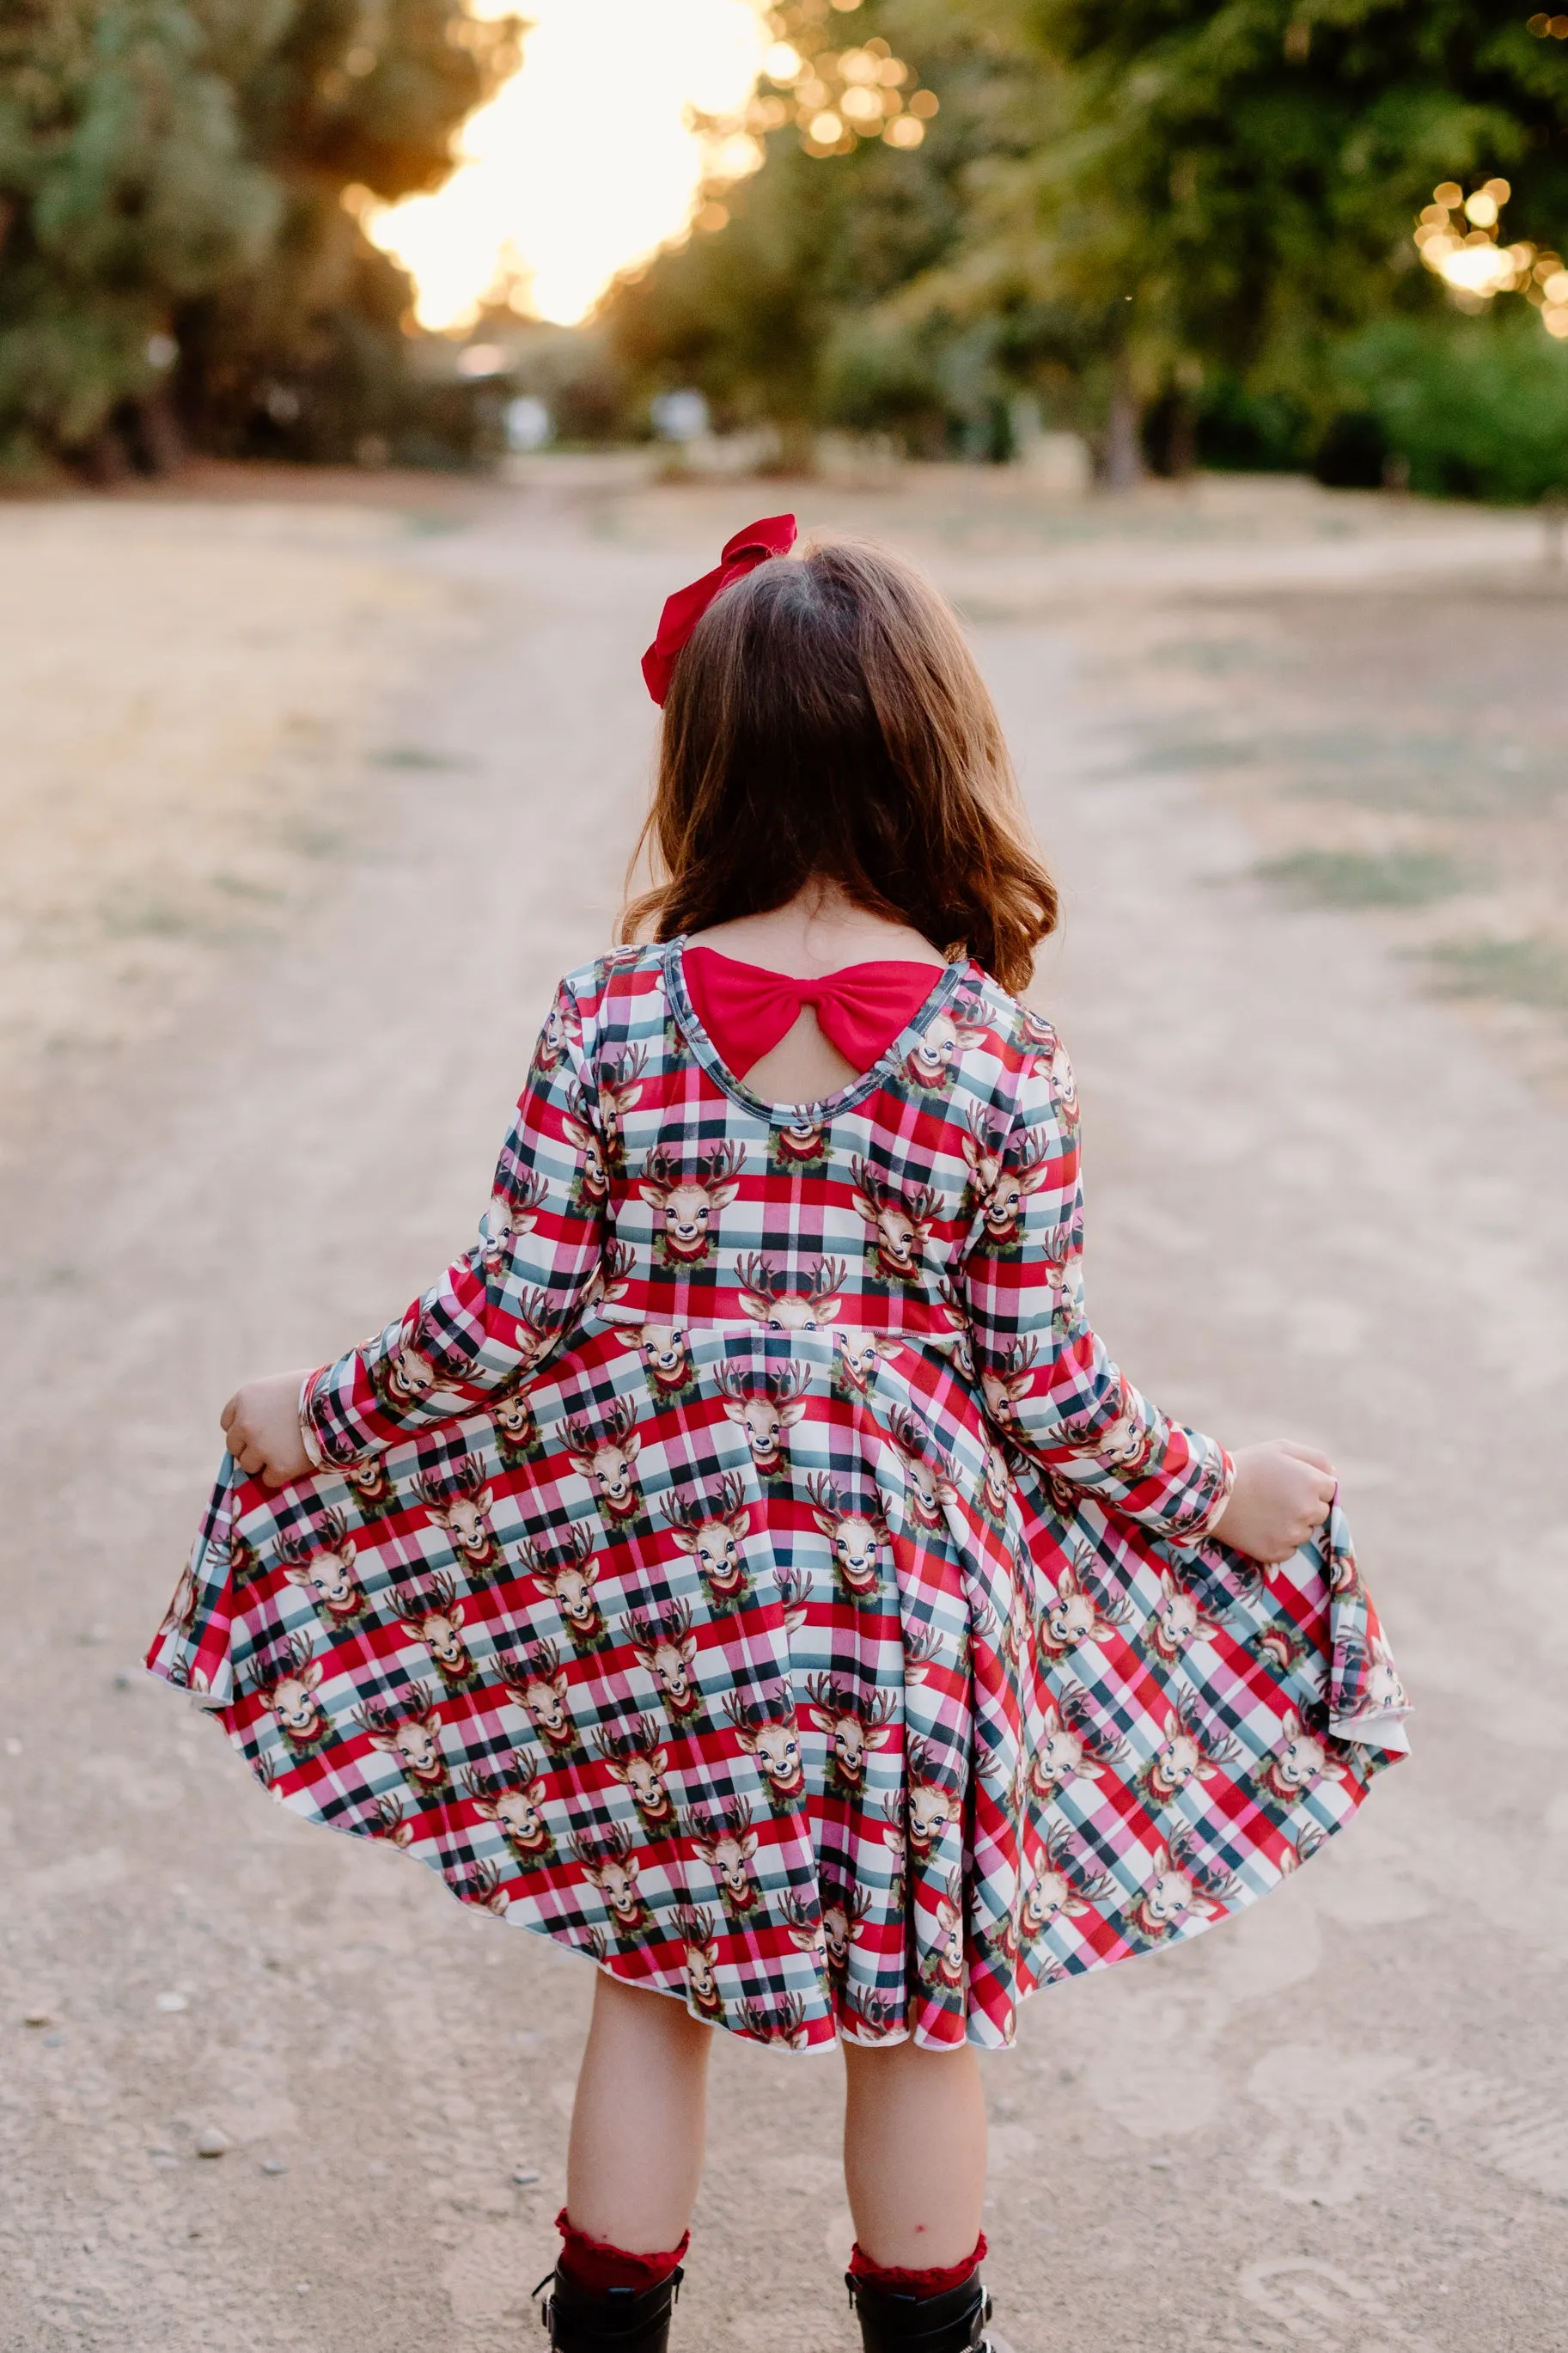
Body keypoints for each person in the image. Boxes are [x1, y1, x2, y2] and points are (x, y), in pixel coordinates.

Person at [150, 518, 1408, 2353]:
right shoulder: (996, 1053)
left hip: (665, 1593)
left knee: (651, 1982)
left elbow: (497, 1324)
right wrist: (1232, 1493)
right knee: (919, 2005)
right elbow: (1048, 1390)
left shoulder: (610, 1019)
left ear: (708, 762)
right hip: (913, 1608)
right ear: (935, 753)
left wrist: (307, 1416)